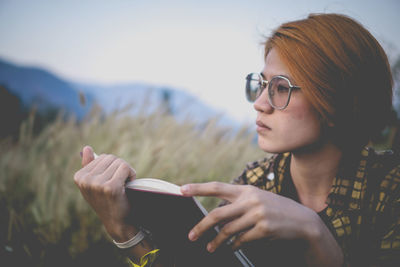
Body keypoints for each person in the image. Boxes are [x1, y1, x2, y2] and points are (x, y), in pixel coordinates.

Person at [73, 13, 400, 267]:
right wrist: (122, 229)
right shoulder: (254, 183)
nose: (259, 103)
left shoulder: (390, 190)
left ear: (339, 102)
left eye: (282, 88)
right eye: (261, 84)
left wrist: (318, 238)